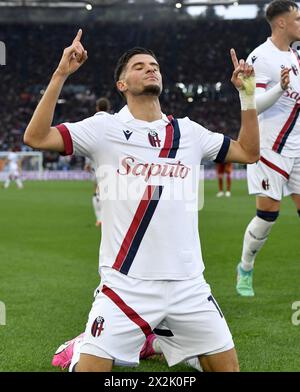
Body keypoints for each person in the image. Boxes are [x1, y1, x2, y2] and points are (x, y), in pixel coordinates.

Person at [24, 29, 259, 372]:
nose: (150, 69)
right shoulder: (103, 128)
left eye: (154, 65)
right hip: (125, 285)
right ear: (122, 84)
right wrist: (61, 73)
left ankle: (155, 336)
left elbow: (249, 152)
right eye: (138, 66)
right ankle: (84, 346)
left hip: (189, 285)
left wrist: (248, 95)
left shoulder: (189, 133)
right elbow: (35, 137)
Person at [236, 0, 300, 297]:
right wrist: (280, 88)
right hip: (269, 148)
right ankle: (245, 267)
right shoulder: (261, 58)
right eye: (297, 19)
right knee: (268, 215)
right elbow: (252, 103)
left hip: (297, 149)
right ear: (282, 23)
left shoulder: (296, 57)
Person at [84, 97, 111, 227]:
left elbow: (89, 146)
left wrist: (87, 165)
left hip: (98, 167)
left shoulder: (92, 123)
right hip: (113, 167)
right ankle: (106, 218)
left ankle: (100, 218)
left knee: (97, 191)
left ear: (97, 108)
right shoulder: (114, 122)